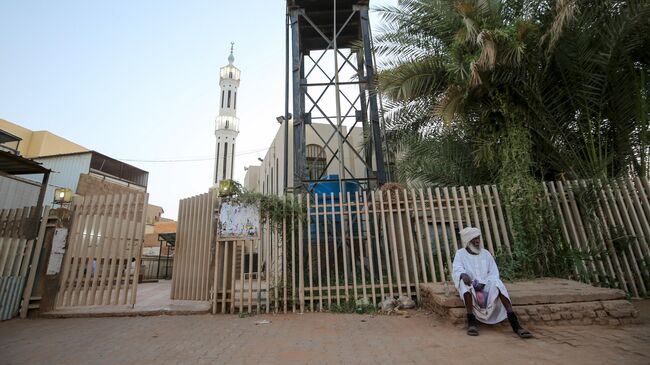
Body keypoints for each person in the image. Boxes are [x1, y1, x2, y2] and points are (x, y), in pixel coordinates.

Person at [452, 227, 533, 338]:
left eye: (478, 238)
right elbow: (457, 269)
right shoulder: (460, 254)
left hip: (486, 287)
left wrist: (484, 283)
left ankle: (516, 325)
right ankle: (471, 322)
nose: (477, 241)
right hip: (472, 286)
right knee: (463, 283)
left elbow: (494, 273)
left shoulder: (486, 254)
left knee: (497, 282)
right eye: (474, 239)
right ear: (467, 241)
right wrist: (462, 274)